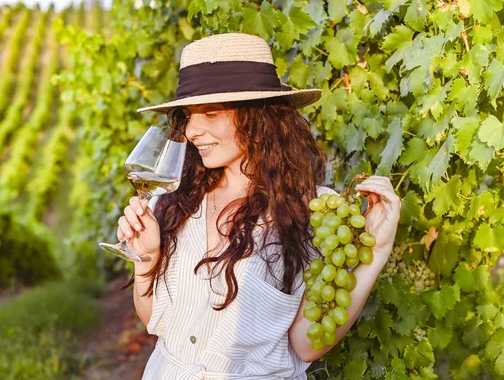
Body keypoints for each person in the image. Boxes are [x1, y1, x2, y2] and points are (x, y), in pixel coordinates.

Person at [117, 33, 401, 379]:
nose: (192, 130)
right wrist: (146, 261)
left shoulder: (314, 214)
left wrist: (378, 250)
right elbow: (153, 321)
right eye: (188, 115)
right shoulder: (174, 202)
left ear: (257, 116)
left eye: (210, 112)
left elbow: (307, 344)